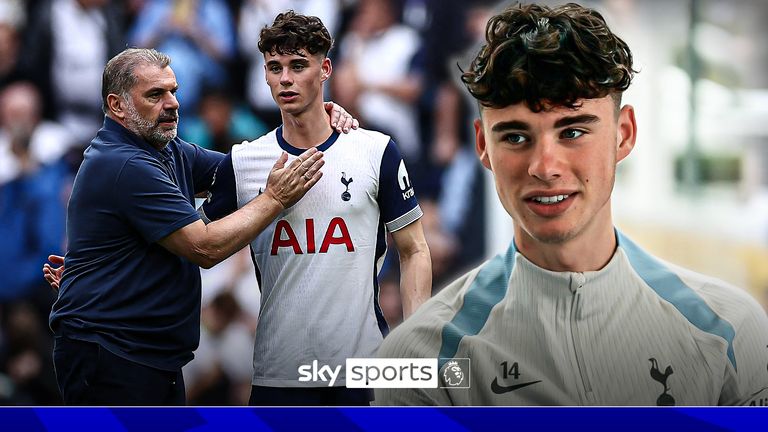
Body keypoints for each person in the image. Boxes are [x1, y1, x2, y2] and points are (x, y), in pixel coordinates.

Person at [374, 2, 768, 406]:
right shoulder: (421, 357)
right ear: (483, 146)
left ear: (624, 134)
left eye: (573, 131)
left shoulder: (729, 330)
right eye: (514, 137)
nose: (545, 167)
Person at [44, 47, 356, 406]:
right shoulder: (124, 163)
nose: (173, 102)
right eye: (155, 95)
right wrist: (274, 199)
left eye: (173, 91)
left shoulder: (166, 149)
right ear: (117, 106)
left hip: (145, 353)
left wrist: (316, 122)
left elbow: (247, 168)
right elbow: (204, 248)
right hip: (112, 355)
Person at [201, 11, 432, 406]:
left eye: (297, 65)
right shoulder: (243, 162)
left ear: (324, 69)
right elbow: (193, 242)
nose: (285, 78)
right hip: (278, 374)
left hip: (363, 373)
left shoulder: (375, 151)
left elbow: (414, 249)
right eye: (274, 68)